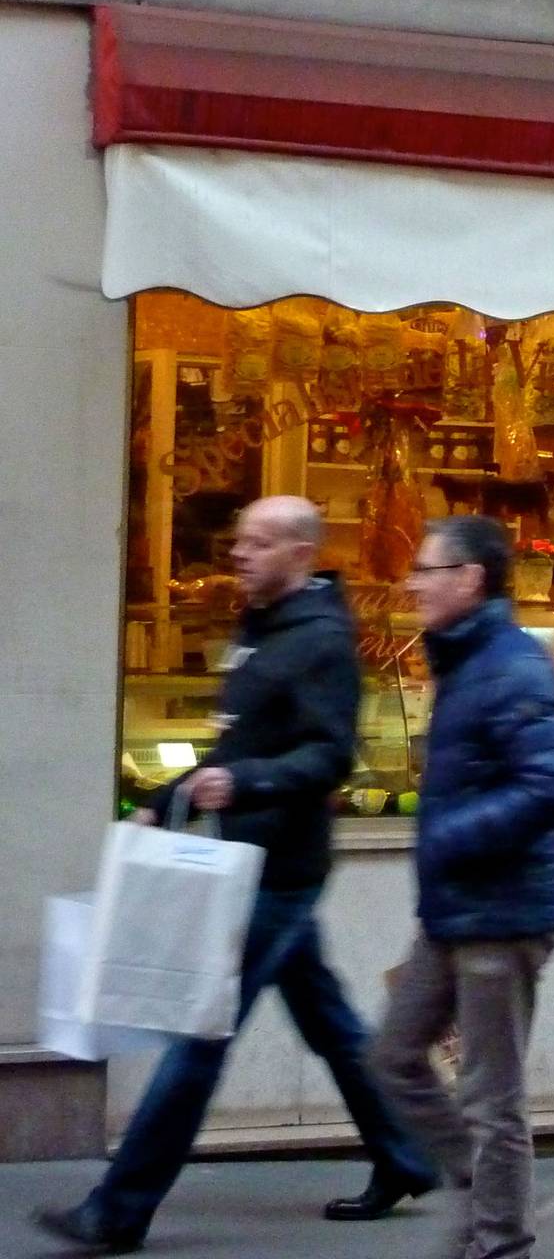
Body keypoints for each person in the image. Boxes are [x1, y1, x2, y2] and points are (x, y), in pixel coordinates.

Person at [37, 496, 436, 1255]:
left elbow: (328, 757)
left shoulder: (319, 641)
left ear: (299, 554)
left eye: (259, 543)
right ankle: (406, 1153)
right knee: (330, 1022)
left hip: (278, 869)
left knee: (198, 1034)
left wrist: (245, 783)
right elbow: (237, 744)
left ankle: (119, 1210)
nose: (240, 555)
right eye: (239, 542)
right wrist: (166, 800)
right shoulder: (260, 627)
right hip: (248, 855)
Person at [373, 515, 554, 1259]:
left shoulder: (512, 665)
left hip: (503, 910)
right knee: (394, 1056)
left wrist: (453, 837)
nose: (413, 584)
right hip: (457, 908)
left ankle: (501, 1243)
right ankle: (493, 1190)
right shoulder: (465, 660)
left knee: (493, 1096)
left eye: (428, 571)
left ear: (471, 579)